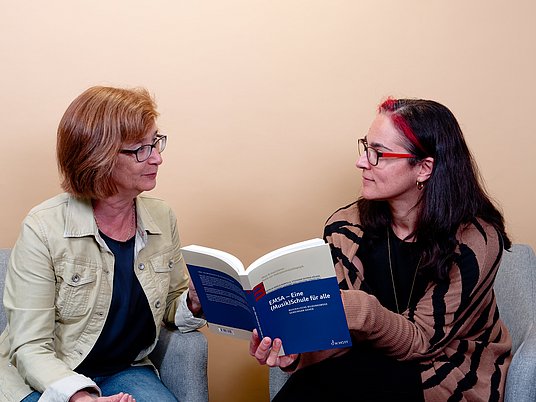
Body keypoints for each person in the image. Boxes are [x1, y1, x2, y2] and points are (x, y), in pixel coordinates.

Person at [251, 98, 512, 401]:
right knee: (320, 379)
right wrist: (295, 354)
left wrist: (360, 309)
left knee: (343, 382)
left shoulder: (476, 239)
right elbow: (339, 337)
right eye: (366, 147)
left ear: (424, 168)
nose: (362, 162)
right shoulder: (346, 227)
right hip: (364, 365)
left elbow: (422, 342)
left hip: (444, 372)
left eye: (379, 154)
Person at [0, 86, 206, 402]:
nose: (157, 157)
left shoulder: (162, 217)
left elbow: (168, 306)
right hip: (47, 376)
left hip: (126, 369)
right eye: (141, 149)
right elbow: (29, 346)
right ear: (98, 157)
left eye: (156, 142)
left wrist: (193, 302)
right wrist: (81, 397)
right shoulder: (43, 226)